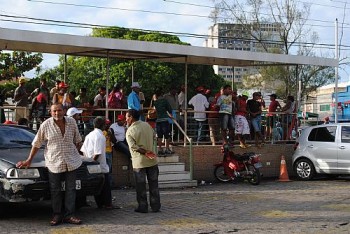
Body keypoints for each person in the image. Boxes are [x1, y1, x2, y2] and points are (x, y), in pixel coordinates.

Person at [16, 103, 83, 226]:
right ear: (51, 112)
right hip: (54, 162)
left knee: (71, 189)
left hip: (71, 160)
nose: (57, 113)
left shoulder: (72, 122)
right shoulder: (46, 125)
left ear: (64, 111)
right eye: (54, 111)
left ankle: (70, 215)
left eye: (59, 110)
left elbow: (78, 140)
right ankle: (57, 215)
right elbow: (36, 143)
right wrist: (29, 160)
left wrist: (79, 152)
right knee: (55, 190)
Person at [125, 109, 160, 213]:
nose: (126, 119)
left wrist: (145, 152)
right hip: (152, 161)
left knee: (141, 187)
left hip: (139, 163)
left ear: (131, 117)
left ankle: (143, 207)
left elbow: (133, 147)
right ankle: (156, 206)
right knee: (154, 185)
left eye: (127, 117)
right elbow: (155, 137)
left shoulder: (130, 131)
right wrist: (151, 151)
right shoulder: (147, 125)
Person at [80, 116, 115, 210]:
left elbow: (83, 150)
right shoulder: (100, 136)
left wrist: (88, 162)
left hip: (90, 164)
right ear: (103, 125)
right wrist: (93, 162)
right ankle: (107, 204)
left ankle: (100, 204)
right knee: (105, 186)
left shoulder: (89, 135)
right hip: (99, 165)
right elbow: (98, 153)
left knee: (98, 186)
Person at [153, 89, 174, 155]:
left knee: (159, 136)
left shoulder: (155, 102)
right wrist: (170, 114)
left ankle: (160, 149)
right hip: (165, 119)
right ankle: (167, 149)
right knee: (167, 135)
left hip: (158, 120)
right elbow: (169, 109)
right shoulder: (164, 101)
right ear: (162, 94)